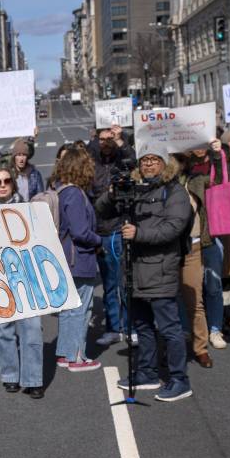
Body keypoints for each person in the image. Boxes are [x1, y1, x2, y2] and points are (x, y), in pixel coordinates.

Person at [120, 153, 195, 401]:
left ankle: (179, 380)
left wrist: (138, 233)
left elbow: (173, 228)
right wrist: (112, 194)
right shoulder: (136, 189)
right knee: (142, 325)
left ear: (166, 163)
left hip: (161, 269)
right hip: (136, 269)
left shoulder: (175, 192)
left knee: (169, 328)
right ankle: (147, 373)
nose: (148, 164)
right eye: (143, 160)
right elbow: (104, 212)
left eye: (154, 159)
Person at [0, 167, 45, 398]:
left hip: (26, 274)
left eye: (6, 180)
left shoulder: (27, 208)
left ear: (13, 183)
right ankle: (10, 375)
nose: (2, 185)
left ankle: (33, 379)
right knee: (3, 330)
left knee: (32, 329)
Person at [52, 148, 103, 372]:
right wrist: (100, 240)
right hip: (78, 259)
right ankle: (77, 357)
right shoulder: (75, 193)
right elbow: (81, 232)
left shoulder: (61, 191)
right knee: (81, 309)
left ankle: (65, 354)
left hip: (65, 258)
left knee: (68, 309)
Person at [179, 142, 230, 343]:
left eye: (204, 144)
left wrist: (219, 155)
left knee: (213, 285)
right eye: (196, 144)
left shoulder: (211, 165)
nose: (200, 148)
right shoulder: (181, 171)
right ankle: (185, 328)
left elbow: (221, 181)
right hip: (185, 240)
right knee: (184, 287)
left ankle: (215, 329)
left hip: (208, 236)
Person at [89, 125, 136, 346]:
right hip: (101, 230)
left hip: (121, 226)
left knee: (125, 281)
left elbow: (131, 161)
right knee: (108, 283)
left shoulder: (122, 158)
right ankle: (113, 328)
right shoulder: (92, 161)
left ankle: (130, 327)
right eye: (102, 138)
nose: (106, 142)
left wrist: (120, 140)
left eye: (111, 138)